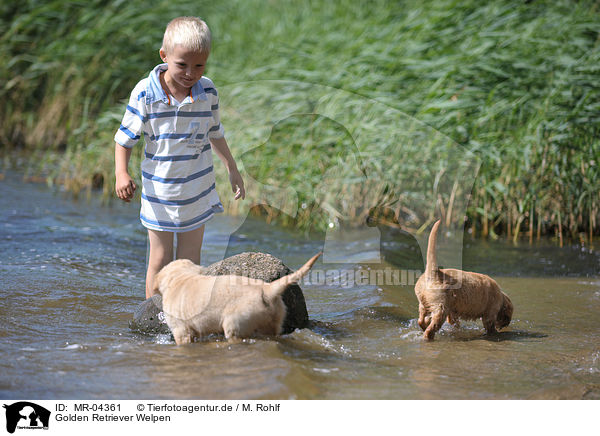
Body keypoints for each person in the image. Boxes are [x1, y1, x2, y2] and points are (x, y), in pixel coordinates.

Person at [114, 16, 245, 298]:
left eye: (199, 65)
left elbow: (215, 131)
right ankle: (152, 318)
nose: (190, 73)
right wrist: (121, 174)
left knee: (190, 261)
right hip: (159, 192)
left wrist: (232, 169)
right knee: (159, 261)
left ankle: (187, 312)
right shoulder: (145, 94)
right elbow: (124, 139)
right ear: (164, 56)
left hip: (196, 191)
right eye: (182, 64)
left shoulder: (207, 91)